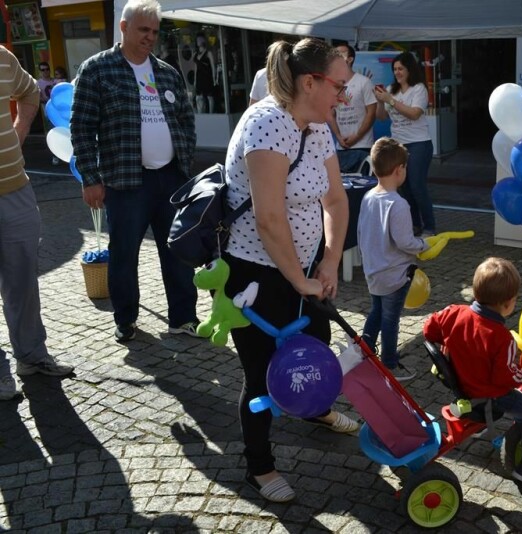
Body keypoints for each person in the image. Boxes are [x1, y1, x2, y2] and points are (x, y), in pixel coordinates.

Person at [221, 37, 357, 503]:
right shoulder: (266, 124)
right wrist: (300, 279)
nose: (345, 96)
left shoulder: (316, 125)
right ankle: (259, 466)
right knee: (261, 372)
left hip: (301, 272)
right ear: (308, 81)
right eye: (339, 85)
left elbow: (335, 199)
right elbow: (268, 217)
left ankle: (315, 408)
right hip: (255, 275)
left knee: (316, 343)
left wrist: (331, 258)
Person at [71, 0, 199, 343]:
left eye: (155, 31)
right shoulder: (97, 69)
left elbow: (186, 120)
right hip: (125, 181)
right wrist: (90, 177)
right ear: (124, 28)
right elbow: (81, 128)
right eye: (143, 30)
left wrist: (184, 161)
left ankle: (183, 318)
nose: (150, 37)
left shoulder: (167, 72)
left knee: (178, 251)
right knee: (125, 255)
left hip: (171, 178)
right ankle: (125, 319)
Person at [423, 257, 522, 486]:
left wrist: (451, 343)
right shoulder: (501, 338)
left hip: (462, 386)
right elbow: (505, 379)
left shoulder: (454, 313)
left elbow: (429, 328)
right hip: (489, 396)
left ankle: (481, 426)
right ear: (509, 304)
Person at [0, 45, 74, 401]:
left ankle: (31, 356)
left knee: (22, 280)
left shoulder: (2, 57)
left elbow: (29, 91)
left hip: (15, 188)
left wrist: (19, 130)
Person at [357, 137, 428, 381]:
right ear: (399, 170)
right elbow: (405, 242)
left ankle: (363, 353)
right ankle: (390, 364)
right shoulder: (398, 204)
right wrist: (423, 245)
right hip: (394, 275)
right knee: (390, 320)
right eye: (405, 167)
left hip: (374, 271)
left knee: (376, 312)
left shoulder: (367, 197)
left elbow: (361, 233)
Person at [374, 52, 435, 237]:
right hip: (399, 145)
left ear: (409, 69)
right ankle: (415, 225)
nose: (397, 72)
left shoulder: (419, 89)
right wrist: (379, 101)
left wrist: (390, 100)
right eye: (395, 69)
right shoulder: (392, 89)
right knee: (404, 187)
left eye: (401, 68)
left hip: (419, 144)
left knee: (417, 185)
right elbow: (382, 117)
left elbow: (415, 113)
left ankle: (430, 227)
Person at [328, 44, 377, 174]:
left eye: (339, 53)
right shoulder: (332, 84)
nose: (335, 56)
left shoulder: (364, 82)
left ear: (349, 59)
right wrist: (338, 136)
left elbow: (371, 112)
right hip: (341, 147)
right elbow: (330, 113)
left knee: (361, 187)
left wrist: (357, 136)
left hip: (362, 146)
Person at [193, 32, 217, 113]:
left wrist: (214, 77)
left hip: (207, 76)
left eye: (200, 39)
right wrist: (195, 80)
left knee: (209, 96)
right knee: (199, 96)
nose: (198, 41)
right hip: (199, 77)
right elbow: (196, 68)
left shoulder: (208, 53)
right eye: (197, 40)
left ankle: (211, 113)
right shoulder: (195, 54)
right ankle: (201, 113)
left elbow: (213, 66)